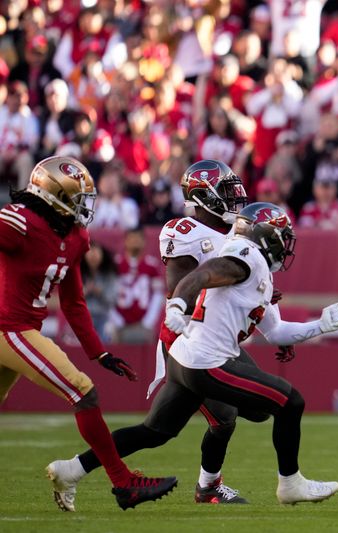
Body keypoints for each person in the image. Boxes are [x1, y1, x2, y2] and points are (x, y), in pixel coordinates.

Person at [53, 202, 338, 506]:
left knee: (153, 432)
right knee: (289, 401)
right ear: (265, 236)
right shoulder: (247, 256)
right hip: (208, 363)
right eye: (281, 237)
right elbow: (201, 275)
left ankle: (72, 469)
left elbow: (277, 331)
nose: (285, 246)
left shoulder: (251, 265)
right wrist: (176, 305)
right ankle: (290, 484)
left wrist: (319, 326)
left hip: (184, 358)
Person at [47, 160, 254, 506]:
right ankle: (210, 487)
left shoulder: (233, 234)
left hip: (213, 335)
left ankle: (73, 469)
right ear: (204, 196)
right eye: (227, 190)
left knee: (157, 432)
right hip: (190, 337)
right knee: (242, 411)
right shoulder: (185, 231)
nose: (236, 197)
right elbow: (179, 288)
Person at [0, 156, 176, 512]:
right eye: (77, 199)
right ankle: (124, 482)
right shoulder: (20, 221)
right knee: (83, 391)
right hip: (9, 328)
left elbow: (74, 302)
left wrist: (100, 353)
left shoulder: (76, 236)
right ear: (53, 196)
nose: (84, 207)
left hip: (20, 331)